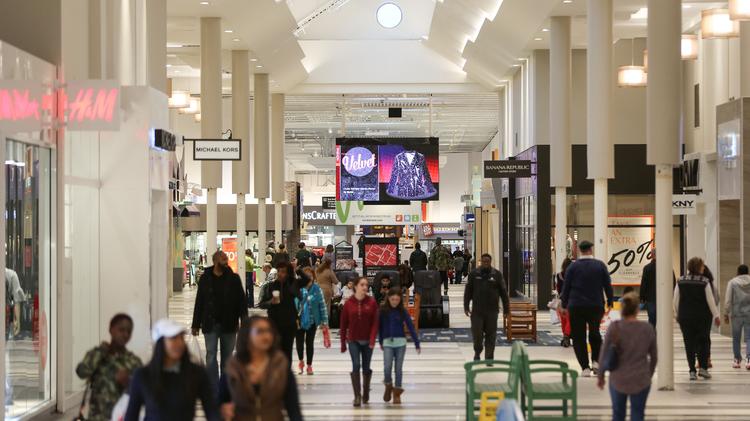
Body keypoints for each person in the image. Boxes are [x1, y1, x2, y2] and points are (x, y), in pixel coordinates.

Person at [125, 319, 218, 421]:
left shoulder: (197, 373)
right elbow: (131, 416)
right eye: (173, 338)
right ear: (161, 342)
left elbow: (212, 412)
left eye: (181, 338)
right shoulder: (143, 375)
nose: (179, 343)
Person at [219, 316, 302, 421]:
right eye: (260, 331)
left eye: (268, 331)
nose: (266, 336)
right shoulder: (233, 369)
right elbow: (219, 405)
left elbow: (294, 410)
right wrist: (222, 411)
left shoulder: (281, 367)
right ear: (247, 335)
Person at [597, 292, 657, 421]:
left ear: (622, 309)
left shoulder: (615, 327)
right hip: (641, 378)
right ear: (637, 309)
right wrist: (648, 374)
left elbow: (604, 352)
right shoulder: (647, 328)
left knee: (618, 415)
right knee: (638, 414)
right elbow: (654, 357)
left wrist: (601, 375)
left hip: (618, 378)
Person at [191, 250, 247, 387]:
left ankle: (225, 385)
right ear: (215, 261)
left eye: (226, 259)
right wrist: (195, 324)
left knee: (227, 357)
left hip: (229, 323)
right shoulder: (205, 278)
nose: (226, 262)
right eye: (223, 259)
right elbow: (200, 301)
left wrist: (244, 321)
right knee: (210, 355)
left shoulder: (234, 278)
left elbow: (241, 301)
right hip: (210, 323)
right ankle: (213, 385)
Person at [560, 240, 614, 377]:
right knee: (595, 333)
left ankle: (584, 367)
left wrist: (564, 304)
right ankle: (596, 361)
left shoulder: (572, 267)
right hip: (596, 305)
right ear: (591, 249)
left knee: (578, 336)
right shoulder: (600, 265)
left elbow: (566, 288)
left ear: (580, 251)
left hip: (576, 306)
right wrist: (610, 301)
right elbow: (607, 285)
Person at [76, 314, 142, 421]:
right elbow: (81, 372)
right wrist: (102, 351)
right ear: (111, 329)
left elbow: (144, 391)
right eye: (121, 330)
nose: (125, 334)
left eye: (129, 331)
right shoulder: (96, 354)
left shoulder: (134, 361)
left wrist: (129, 382)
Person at [673, 257, 720, 380]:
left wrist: (677, 314)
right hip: (702, 317)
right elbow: (710, 301)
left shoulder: (681, 281)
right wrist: (716, 315)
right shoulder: (704, 281)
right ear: (698, 267)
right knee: (703, 341)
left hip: (685, 317)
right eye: (702, 266)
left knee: (689, 343)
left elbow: (675, 300)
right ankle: (703, 368)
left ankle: (692, 371)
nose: (703, 268)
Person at [340, 277, 379, 407]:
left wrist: (373, 339)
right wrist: (342, 344)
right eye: (362, 285)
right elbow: (343, 324)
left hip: (368, 341)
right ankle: (357, 396)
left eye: (366, 285)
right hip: (353, 340)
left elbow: (375, 323)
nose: (365, 287)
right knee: (356, 365)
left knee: (366, 367)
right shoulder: (349, 303)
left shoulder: (372, 302)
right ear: (355, 286)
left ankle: (366, 392)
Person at [464, 254, 510, 361]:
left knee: (491, 335)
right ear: (481, 262)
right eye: (484, 261)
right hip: (477, 311)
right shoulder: (474, 274)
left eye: (487, 261)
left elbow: (504, 293)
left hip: (492, 311)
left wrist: (506, 309)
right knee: (477, 334)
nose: (485, 263)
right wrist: (466, 306)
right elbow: (468, 292)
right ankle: (477, 351)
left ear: (490, 262)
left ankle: (489, 357)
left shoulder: (497, 275)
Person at [379, 288, 420, 404]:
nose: (395, 302)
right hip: (387, 342)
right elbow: (380, 327)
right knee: (387, 367)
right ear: (389, 299)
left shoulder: (402, 311)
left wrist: (417, 342)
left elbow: (410, 327)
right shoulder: (383, 311)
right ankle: (388, 385)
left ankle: (397, 393)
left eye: (397, 300)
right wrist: (380, 341)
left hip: (401, 342)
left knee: (398, 369)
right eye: (393, 299)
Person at [259, 262, 301, 364]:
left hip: (289, 324)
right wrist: (271, 302)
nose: (279, 274)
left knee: (287, 351)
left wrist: (297, 270)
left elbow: (303, 287)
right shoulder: (270, 286)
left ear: (288, 273)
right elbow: (261, 304)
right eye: (278, 271)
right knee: (275, 352)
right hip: (274, 324)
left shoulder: (292, 285)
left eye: (283, 272)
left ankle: (286, 375)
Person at [295, 267, 328, 375]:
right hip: (299, 320)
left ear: (314, 277)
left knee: (310, 343)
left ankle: (309, 365)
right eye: (306, 275)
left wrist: (325, 321)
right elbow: (294, 303)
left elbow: (322, 305)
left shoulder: (316, 288)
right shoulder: (298, 288)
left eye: (310, 275)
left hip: (312, 320)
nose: (309, 277)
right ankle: (300, 362)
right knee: (299, 342)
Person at [639, 251, 675, 328]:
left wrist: (642, 297)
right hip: (664, 297)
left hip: (650, 298)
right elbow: (673, 281)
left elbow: (644, 283)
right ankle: (663, 336)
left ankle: (652, 335)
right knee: (663, 319)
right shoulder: (667, 267)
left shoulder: (647, 268)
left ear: (652, 255)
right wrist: (671, 294)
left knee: (652, 319)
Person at [724, 264, 750, 369]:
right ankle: (749, 360)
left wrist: (726, 313)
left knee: (736, 338)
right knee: (749, 337)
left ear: (738, 272)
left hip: (736, 314)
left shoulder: (732, 282)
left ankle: (737, 360)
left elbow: (728, 299)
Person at [554, 258, 572, 347]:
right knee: (570, 320)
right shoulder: (573, 275)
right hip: (571, 300)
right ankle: (566, 336)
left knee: (563, 320)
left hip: (562, 300)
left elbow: (557, 288)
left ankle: (565, 336)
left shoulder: (559, 275)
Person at [4, 268, 25, 338]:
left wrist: (17, 321)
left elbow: (16, 301)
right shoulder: (11, 275)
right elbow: (17, 301)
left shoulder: (11, 275)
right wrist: (17, 321)